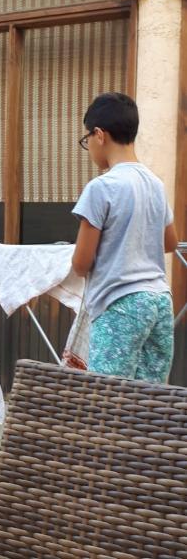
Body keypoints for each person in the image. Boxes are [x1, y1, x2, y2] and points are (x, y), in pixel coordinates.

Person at [72, 92, 178, 383]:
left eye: (87, 140)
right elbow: (169, 242)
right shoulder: (155, 183)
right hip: (159, 301)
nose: (89, 147)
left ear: (99, 134)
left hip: (120, 304)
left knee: (107, 399)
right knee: (148, 401)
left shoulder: (101, 187)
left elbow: (81, 263)